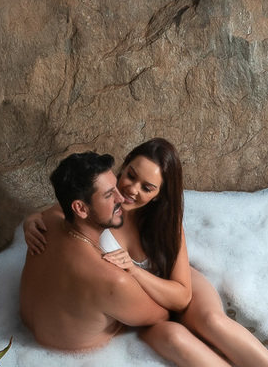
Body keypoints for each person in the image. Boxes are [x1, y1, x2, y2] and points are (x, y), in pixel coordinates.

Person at [24, 138, 268, 367]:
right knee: (174, 337)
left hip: (163, 289)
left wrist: (136, 272)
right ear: (123, 167)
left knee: (213, 322)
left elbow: (181, 298)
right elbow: (67, 209)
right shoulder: (99, 208)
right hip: (128, 305)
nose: (129, 191)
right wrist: (30, 220)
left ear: (159, 194)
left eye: (147, 187)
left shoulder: (164, 224)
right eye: (129, 175)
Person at [19, 151, 171, 353]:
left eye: (116, 187)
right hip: (74, 363)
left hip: (24, 336)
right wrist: (135, 273)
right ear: (80, 209)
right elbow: (163, 315)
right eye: (110, 194)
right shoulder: (113, 280)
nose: (121, 198)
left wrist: (29, 220)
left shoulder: (43, 223)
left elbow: (57, 208)